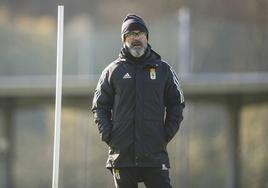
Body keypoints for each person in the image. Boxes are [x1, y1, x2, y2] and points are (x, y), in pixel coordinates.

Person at [92, 14, 185, 188]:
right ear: (124, 39)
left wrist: (166, 133)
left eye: (140, 33)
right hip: (122, 156)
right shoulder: (112, 71)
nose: (136, 38)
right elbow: (99, 106)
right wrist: (108, 135)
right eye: (131, 34)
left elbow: (177, 103)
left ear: (147, 37)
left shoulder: (163, 69)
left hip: (154, 155)